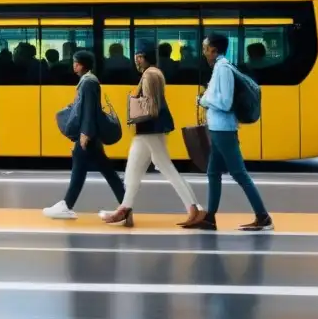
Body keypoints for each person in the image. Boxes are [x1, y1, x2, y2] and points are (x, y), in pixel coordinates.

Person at [100, 44, 202, 228]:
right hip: (147, 130)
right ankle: (125, 210)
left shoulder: (151, 75)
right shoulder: (152, 73)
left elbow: (151, 105)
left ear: (142, 57)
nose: (136, 60)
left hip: (150, 129)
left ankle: (194, 208)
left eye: (138, 55)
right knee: (133, 170)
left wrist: (135, 111)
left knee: (165, 167)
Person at [184, 33, 273, 232]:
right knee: (213, 172)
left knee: (239, 173)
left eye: (206, 48)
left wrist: (203, 101)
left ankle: (263, 216)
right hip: (218, 128)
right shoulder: (219, 67)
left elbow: (224, 102)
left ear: (215, 50)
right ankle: (209, 218)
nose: (204, 52)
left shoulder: (223, 69)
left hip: (223, 129)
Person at [43, 50, 125, 219]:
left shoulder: (88, 82)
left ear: (82, 65)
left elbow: (88, 110)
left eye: (76, 62)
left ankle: (66, 205)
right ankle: (126, 205)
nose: (74, 65)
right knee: (104, 171)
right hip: (91, 134)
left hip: (88, 134)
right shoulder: (88, 81)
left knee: (82, 168)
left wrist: (85, 133)